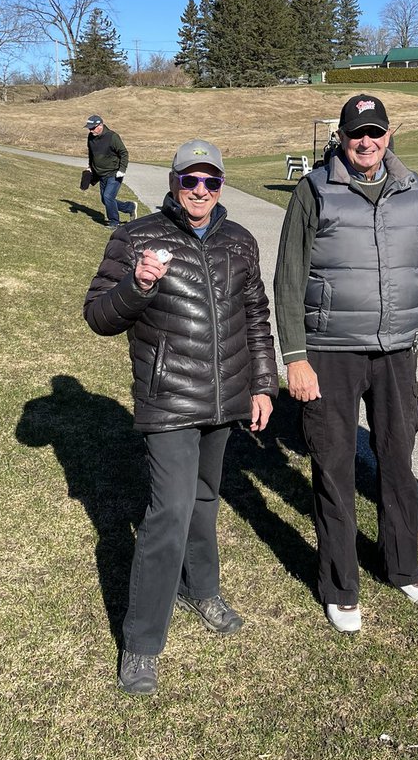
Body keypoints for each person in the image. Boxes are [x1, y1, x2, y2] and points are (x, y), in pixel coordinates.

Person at [84, 138, 278, 694]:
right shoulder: (136, 236)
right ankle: (142, 643)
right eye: (190, 181)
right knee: (167, 510)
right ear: (172, 183)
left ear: (221, 185)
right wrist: (137, 284)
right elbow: (98, 315)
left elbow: (256, 317)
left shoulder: (239, 241)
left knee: (204, 499)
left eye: (210, 182)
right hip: (168, 398)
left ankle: (203, 590)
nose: (200, 191)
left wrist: (263, 385)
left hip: (227, 397)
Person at [274, 93, 418, 634]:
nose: (366, 142)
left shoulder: (413, 190)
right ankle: (340, 585)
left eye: (375, 132)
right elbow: (287, 278)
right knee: (335, 467)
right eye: (356, 133)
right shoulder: (313, 191)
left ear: (389, 134)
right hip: (331, 351)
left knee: (398, 462)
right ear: (342, 138)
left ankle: (402, 566)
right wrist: (296, 358)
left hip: (395, 350)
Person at [85, 114, 137, 228]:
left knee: (108, 197)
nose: (91, 130)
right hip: (100, 174)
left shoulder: (112, 137)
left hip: (114, 173)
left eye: (93, 128)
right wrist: (90, 166)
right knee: (105, 200)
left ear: (100, 125)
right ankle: (130, 207)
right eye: (89, 128)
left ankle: (114, 222)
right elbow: (91, 154)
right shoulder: (90, 137)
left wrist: (122, 170)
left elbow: (124, 153)